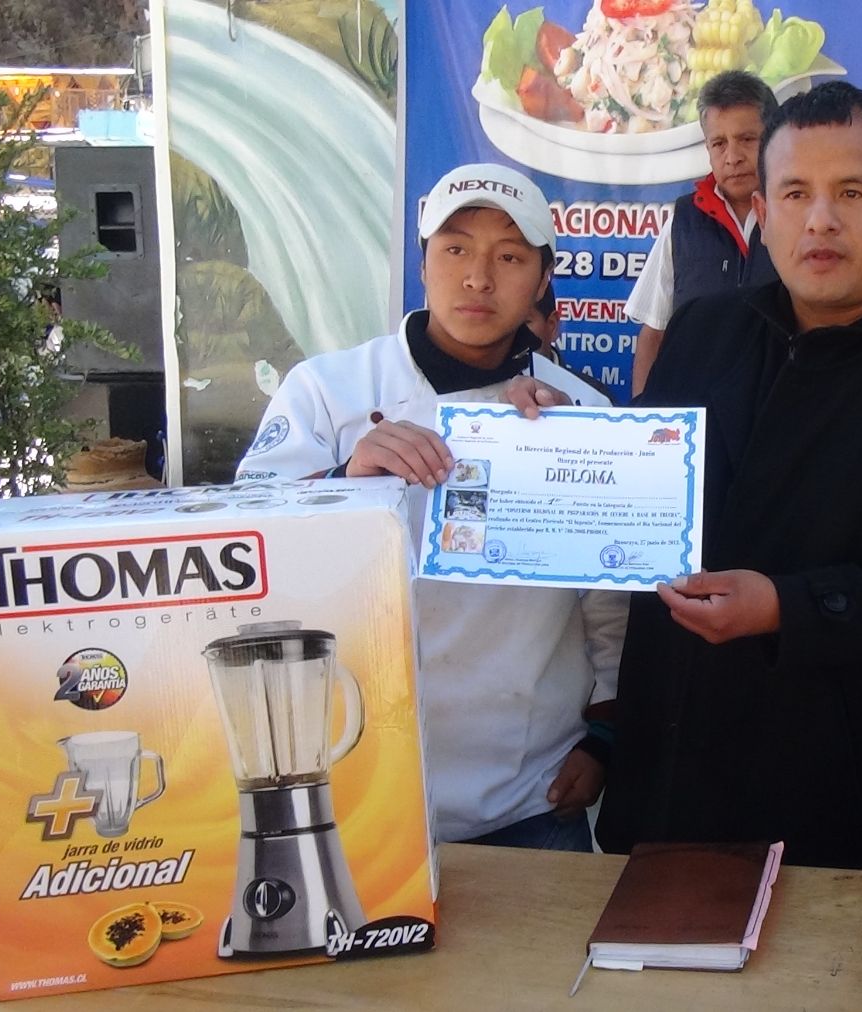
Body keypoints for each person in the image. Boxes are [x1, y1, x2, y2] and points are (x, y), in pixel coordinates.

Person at [595, 82, 862, 873]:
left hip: (837, 798)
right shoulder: (704, 331)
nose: (821, 220)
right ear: (762, 211)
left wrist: (786, 610)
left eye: (852, 193)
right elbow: (632, 489)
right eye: (796, 193)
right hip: (664, 775)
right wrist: (538, 428)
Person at [236, 162, 625, 851]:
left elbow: (609, 605)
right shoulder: (329, 389)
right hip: (350, 780)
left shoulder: (582, 412)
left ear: (541, 280)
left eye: (509, 256)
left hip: (526, 792)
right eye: (455, 250)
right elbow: (247, 546)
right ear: (423, 264)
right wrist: (346, 475)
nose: (479, 277)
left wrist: (603, 736)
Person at [625, 70, 780, 394]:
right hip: (698, 423)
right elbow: (654, 334)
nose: (733, 157)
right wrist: (641, 417)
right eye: (719, 143)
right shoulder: (682, 222)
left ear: (776, 138)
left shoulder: (799, 218)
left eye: (748, 140)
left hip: (779, 418)